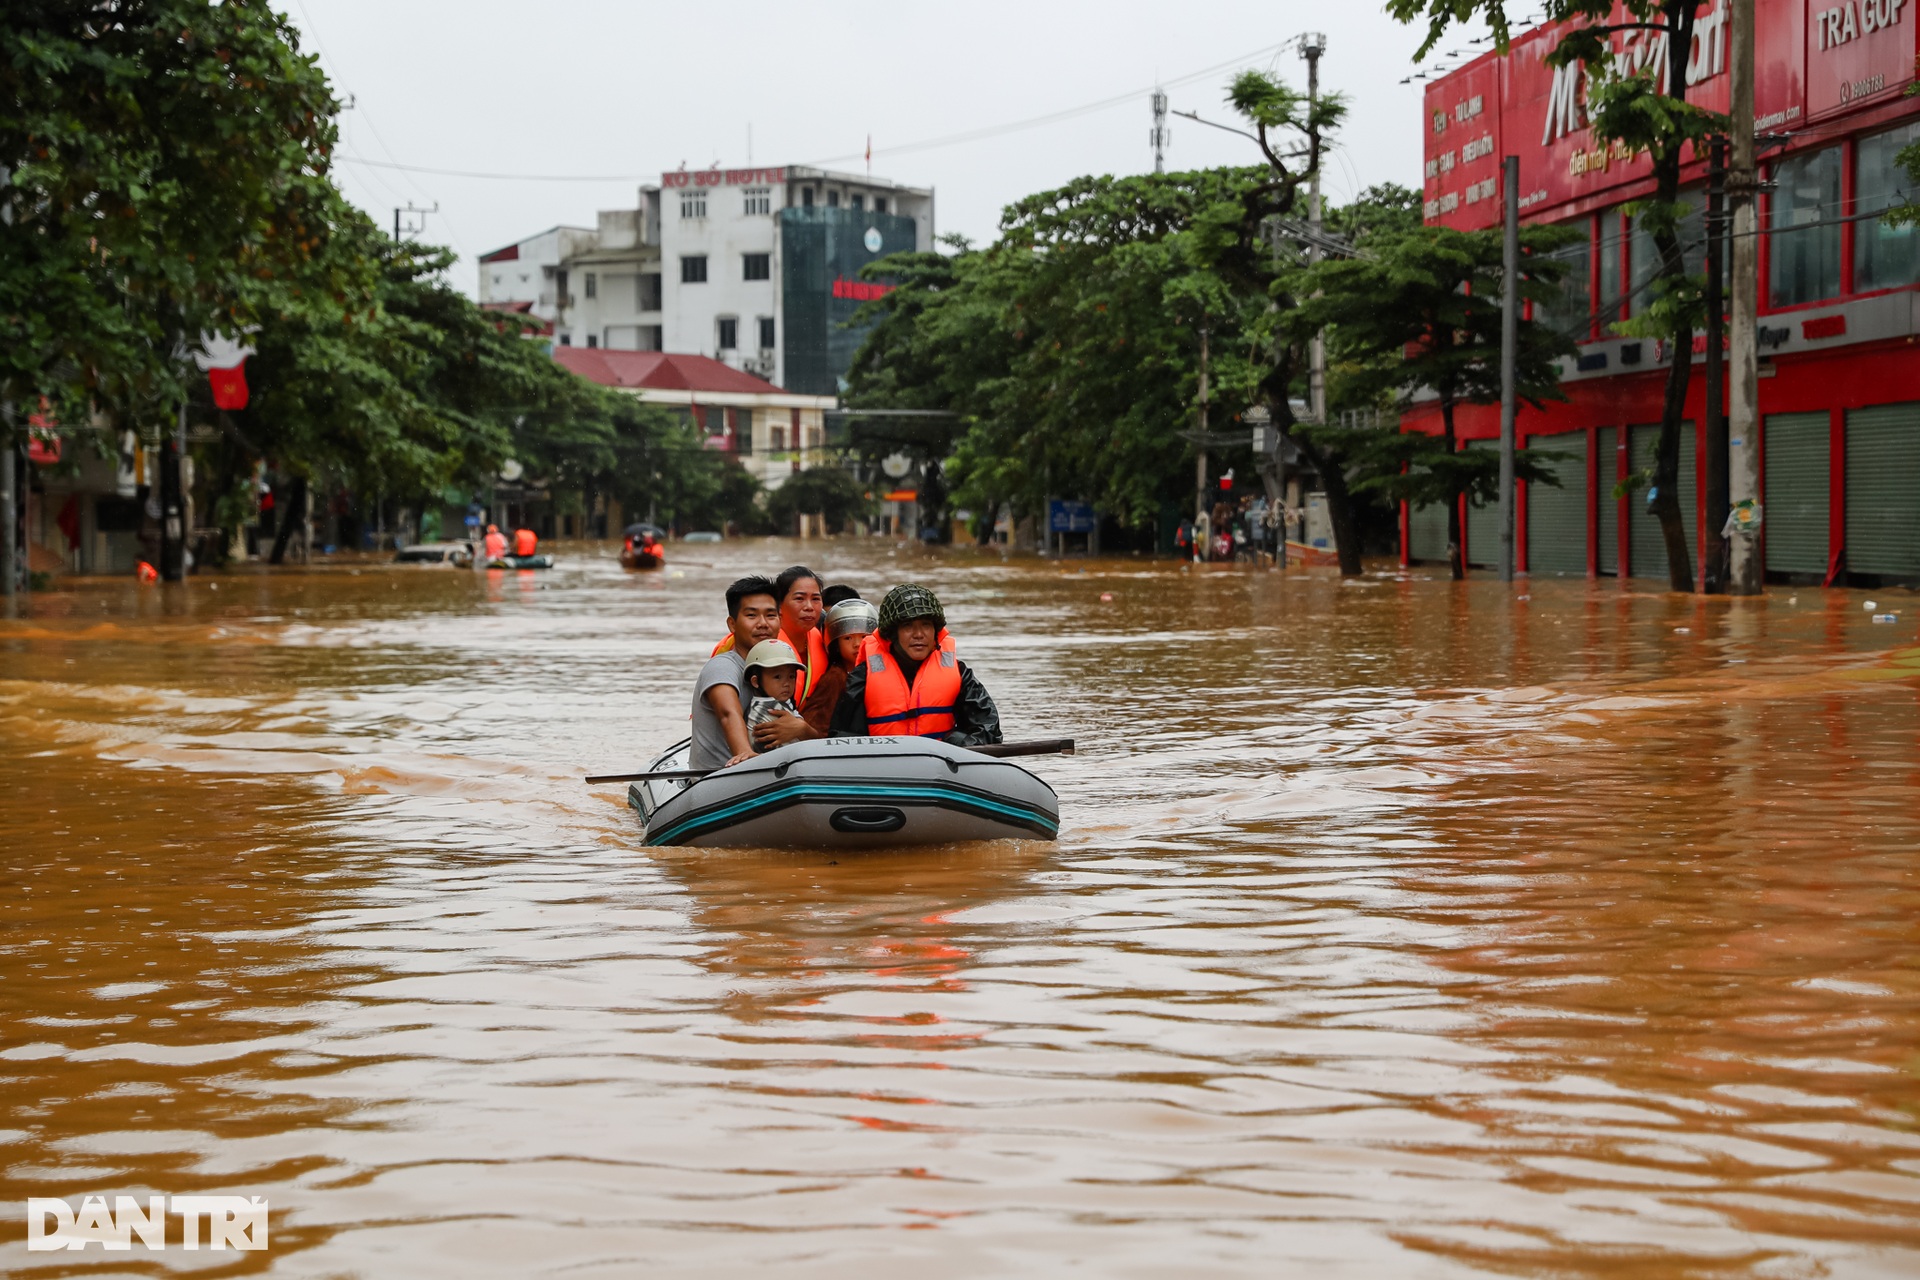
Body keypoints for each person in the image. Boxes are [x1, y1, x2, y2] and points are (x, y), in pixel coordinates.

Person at [830, 583, 1002, 746]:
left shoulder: (959, 673)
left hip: (940, 765)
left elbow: (989, 731)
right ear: (892, 634)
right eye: (908, 626)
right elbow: (844, 736)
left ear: (935, 632)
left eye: (926, 625)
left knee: (959, 738)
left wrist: (958, 748)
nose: (919, 634)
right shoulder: (863, 676)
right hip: (884, 765)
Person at [689, 576, 781, 771]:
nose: (763, 623)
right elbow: (728, 713)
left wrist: (803, 730)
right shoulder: (722, 667)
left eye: (770, 615)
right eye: (752, 615)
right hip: (717, 779)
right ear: (732, 624)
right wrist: (745, 753)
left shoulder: (781, 671)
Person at [735, 565, 831, 751]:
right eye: (799, 599)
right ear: (779, 605)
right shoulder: (755, 641)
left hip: (803, 736)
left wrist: (802, 729)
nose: (809, 607)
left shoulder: (823, 640)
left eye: (816, 599)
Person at [800, 597, 875, 735]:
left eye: (864, 636)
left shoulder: (881, 672)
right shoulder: (835, 678)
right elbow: (816, 724)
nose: (857, 644)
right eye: (848, 638)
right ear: (836, 645)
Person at [741, 639, 804, 751]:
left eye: (791, 677)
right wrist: (804, 728)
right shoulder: (770, 708)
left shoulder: (781, 702)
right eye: (777, 677)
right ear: (755, 682)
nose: (786, 684)